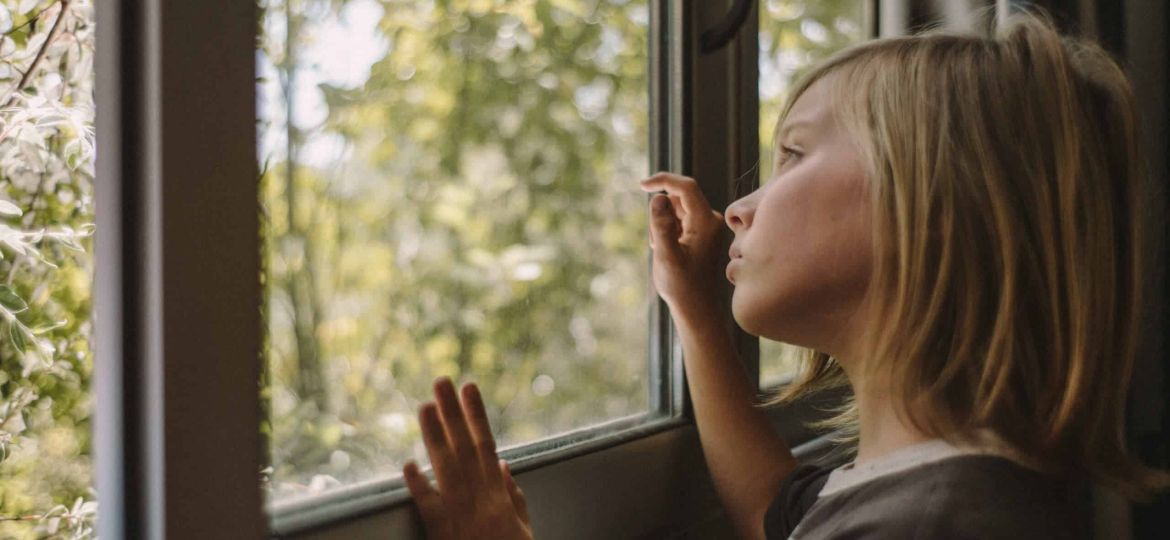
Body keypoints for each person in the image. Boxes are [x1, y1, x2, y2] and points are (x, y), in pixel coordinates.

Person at [398, 10, 1169, 539]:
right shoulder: (931, 484)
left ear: (927, 203)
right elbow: (780, 508)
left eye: (793, 156)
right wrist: (699, 317)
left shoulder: (937, 524)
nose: (738, 207)